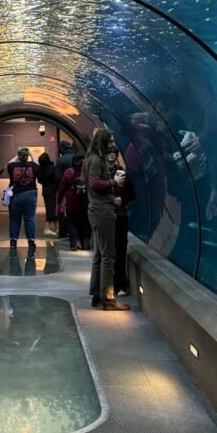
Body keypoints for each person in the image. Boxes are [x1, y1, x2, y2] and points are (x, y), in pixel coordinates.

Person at [84, 128, 130, 312]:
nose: (112, 145)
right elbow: (94, 183)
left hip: (96, 210)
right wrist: (114, 183)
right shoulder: (96, 161)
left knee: (99, 256)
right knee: (108, 256)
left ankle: (97, 295)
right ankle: (108, 299)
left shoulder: (90, 160)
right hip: (102, 211)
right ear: (102, 142)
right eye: (110, 141)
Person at [107, 146, 136, 296]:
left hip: (120, 215)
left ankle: (121, 284)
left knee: (120, 249)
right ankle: (109, 284)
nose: (111, 156)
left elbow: (132, 193)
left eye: (114, 153)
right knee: (107, 252)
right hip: (106, 216)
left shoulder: (123, 173)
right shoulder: (102, 174)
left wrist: (122, 200)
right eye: (109, 153)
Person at [7, 146, 40, 252]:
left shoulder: (12, 166)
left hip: (16, 195)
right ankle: (31, 241)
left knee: (14, 219)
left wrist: (18, 154)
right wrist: (30, 154)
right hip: (30, 194)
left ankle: (13, 240)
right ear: (27, 157)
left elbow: (9, 162)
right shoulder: (33, 166)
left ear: (19, 156)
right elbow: (37, 163)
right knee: (30, 218)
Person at [57, 153, 91, 251]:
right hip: (85, 201)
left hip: (71, 202)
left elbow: (62, 188)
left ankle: (74, 244)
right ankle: (85, 243)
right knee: (85, 222)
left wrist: (59, 201)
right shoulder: (88, 172)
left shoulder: (69, 172)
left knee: (72, 223)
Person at [55, 140, 75, 237]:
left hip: (65, 190)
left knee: (63, 211)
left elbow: (58, 177)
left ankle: (63, 232)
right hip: (78, 189)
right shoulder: (76, 157)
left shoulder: (61, 160)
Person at [37, 151, 59, 236]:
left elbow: (39, 180)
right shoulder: (52, 168)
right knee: (52, 210)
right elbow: (57, 179)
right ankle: (47, 228)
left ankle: (57, 228)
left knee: (50, 208)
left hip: (45, 190)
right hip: (53, 191)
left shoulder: (40, 170)